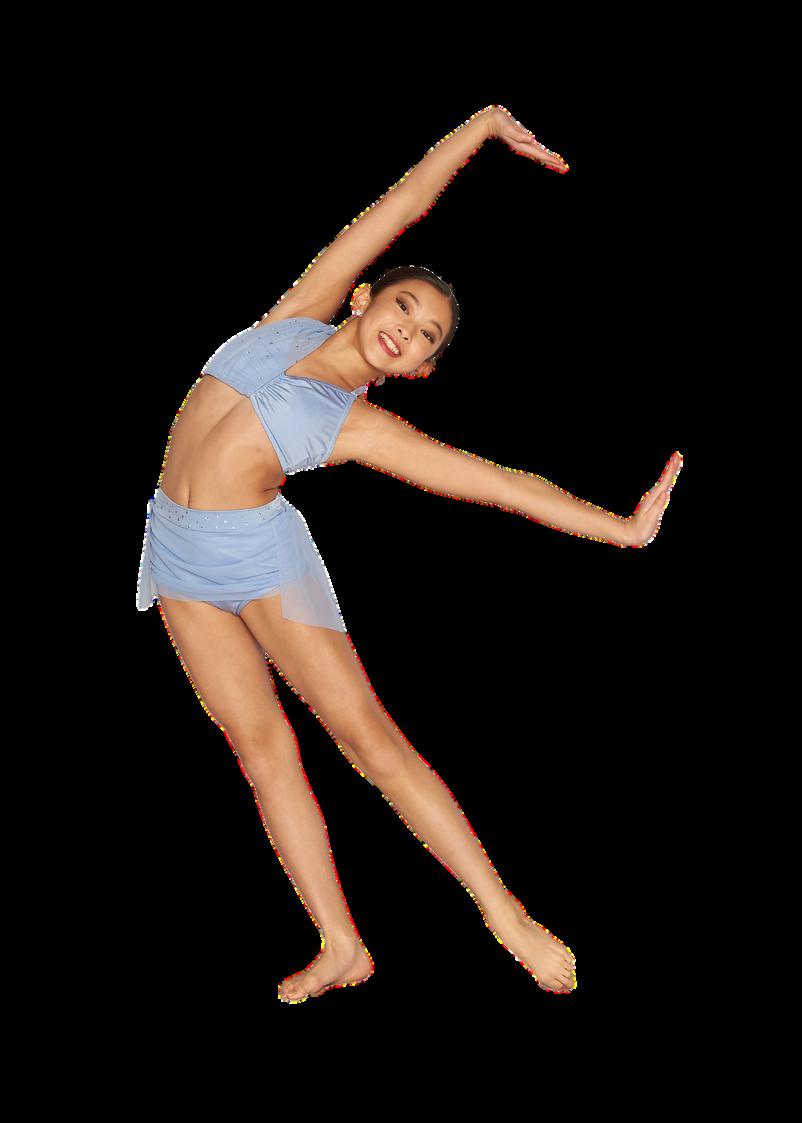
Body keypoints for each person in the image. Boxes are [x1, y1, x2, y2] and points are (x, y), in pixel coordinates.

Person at [136, 104, 682, 1005]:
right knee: (262, 750)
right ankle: (341, 943)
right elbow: (400, 206)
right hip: (175, 550)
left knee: (370, 741)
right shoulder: (300, 309)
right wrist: (481, 127)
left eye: (427, 337)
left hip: (259, 558)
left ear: (417, 371)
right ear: (364, 296)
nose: (409, 328)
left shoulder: (357, 426)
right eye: (404, 306)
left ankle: (504, 913)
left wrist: (619, 528)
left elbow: (498, 482)